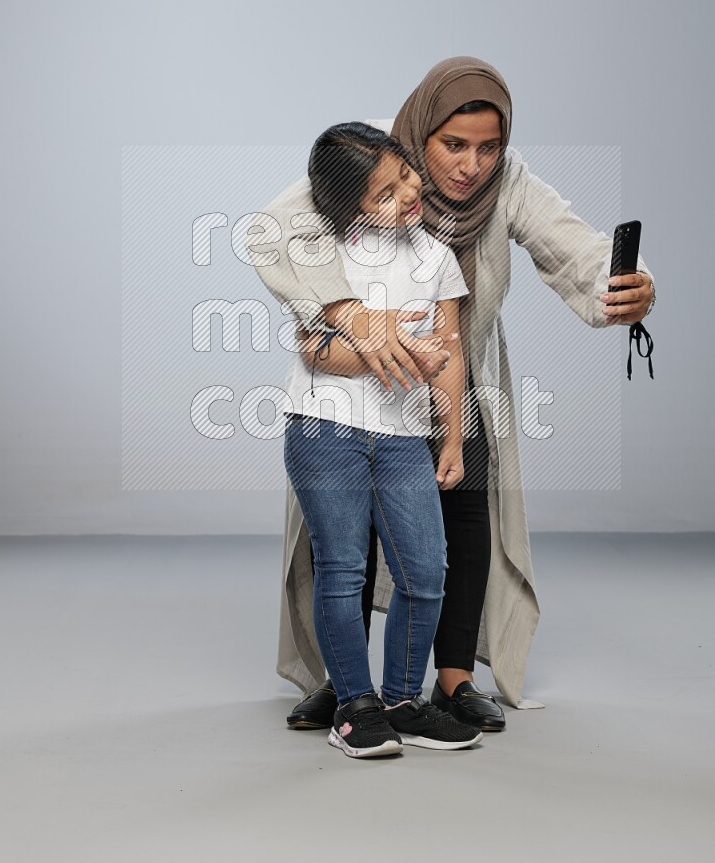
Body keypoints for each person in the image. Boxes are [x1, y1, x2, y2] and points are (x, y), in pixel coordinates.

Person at [249, 56, 655, 729]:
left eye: (489, 147)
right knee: (346, 540)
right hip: (347, 383)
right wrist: (346, 316)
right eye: (453, 146)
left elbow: (574, 245)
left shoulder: (506, 184)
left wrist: (627, 282)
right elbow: (273, 230)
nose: (472, 166)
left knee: (461, 516)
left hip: (454, 372)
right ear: (417, 137)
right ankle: (343, 682)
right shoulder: (367, 155)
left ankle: (453, 678)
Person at [278, 120, 483, 758]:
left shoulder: (436, 257)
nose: (406, 196)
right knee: (341, 570)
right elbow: (314, 349)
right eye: (383, 195)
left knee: (426, 571)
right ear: (349, 208)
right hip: (324, 429)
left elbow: (449, 356)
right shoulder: (324, 257)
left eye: (404, 177)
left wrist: (451, 437)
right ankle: (354, 708)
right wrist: (388, 352)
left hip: (403, 437)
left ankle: (401, 699)